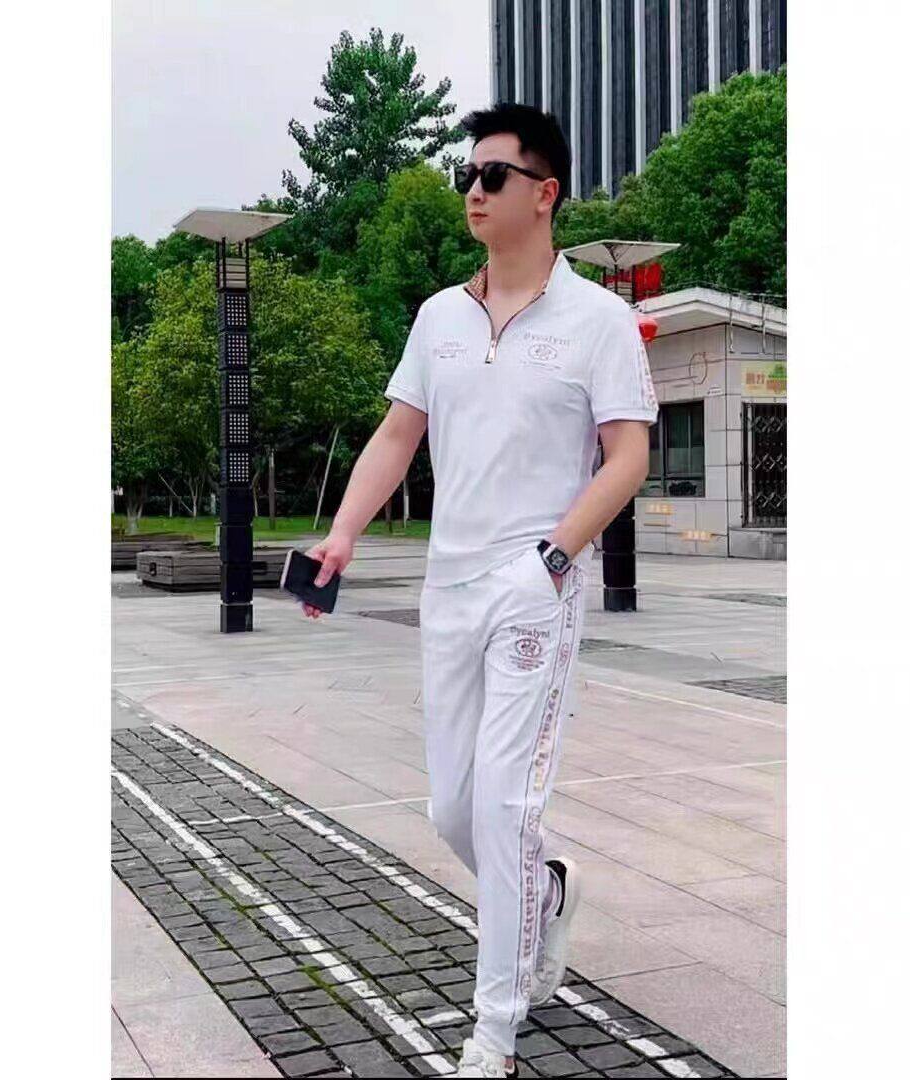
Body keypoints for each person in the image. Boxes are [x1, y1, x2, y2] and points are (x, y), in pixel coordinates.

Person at [299, 102, 658, 1079]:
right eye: (468, 173)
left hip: (534, 586)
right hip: (447, 587)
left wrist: (555, 559)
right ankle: (544, 892)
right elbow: (397, 434)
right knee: (452, 811)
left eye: (494, 175)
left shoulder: (598, 322)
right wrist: (343, 532)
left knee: (501, 806)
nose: (473, 189)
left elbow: (628, 456)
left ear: (545, 194)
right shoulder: (439, 318)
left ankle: (494, 1031)